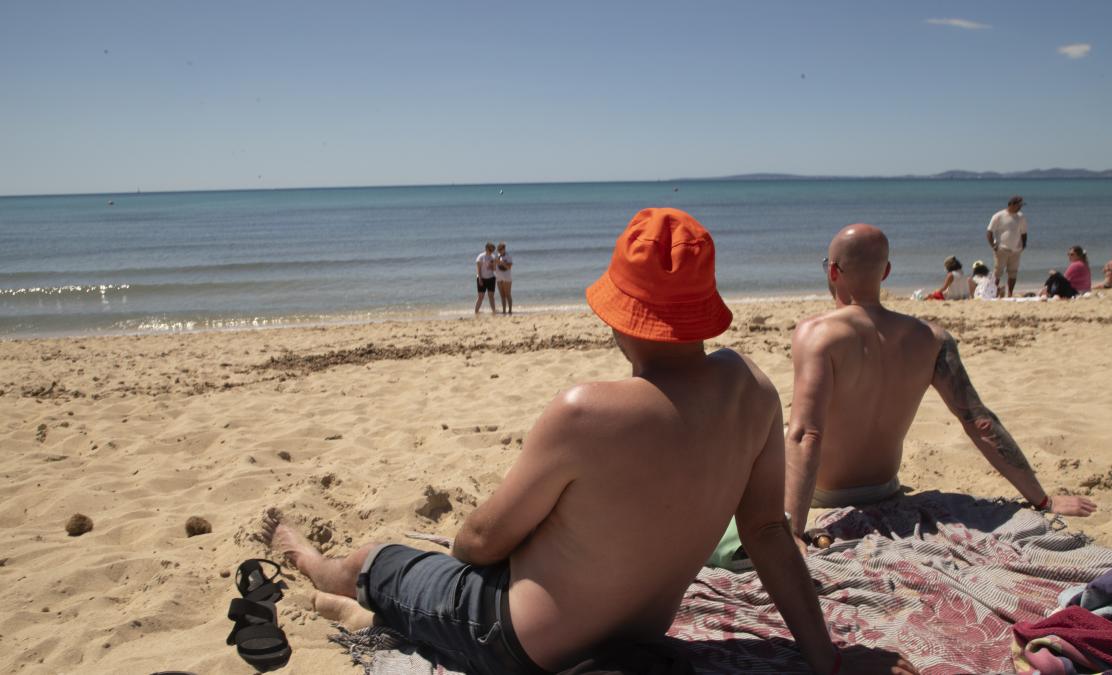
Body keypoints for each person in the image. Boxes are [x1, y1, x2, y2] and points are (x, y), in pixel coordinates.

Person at [264, 209, 915, 675]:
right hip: (638, 631)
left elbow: (478, 542)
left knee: (380, 556)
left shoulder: (586, 411)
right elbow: (770, 533)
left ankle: (321, 570)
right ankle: (362, 609)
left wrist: (480, 544)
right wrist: (824, 657)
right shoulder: (751, 390)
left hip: (517, 642)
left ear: (620, 319)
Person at [786, 224, 1096, 552]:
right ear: (886, 272)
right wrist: (1042, 499)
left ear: (833, 271)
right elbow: (979, 421)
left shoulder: (816, 333)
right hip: (884, 488)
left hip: (824, 495)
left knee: (782, 430)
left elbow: (807, 434)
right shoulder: (931, 338)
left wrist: (791, 531)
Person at [986, 195, 1028, 298]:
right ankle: (994, 293)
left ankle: (1009, 293)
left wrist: (1024, 245)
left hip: (1016, 250)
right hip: (1002, 249)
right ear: (1011, 205)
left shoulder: (1021, 217)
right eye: (1019, 205)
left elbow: (1024, 233)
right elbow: (989, 231)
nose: (1020, 208)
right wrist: (993, 245)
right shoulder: (999, 216)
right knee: (997, 272)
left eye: (1021, 206)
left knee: (1013, 273)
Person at [475, 242, 497, 314]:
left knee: (491, 296)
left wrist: (492, 265)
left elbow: (494, 269)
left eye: (493, 250)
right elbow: (478, 269)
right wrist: (480, 279)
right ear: (486, 248)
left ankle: (494, 311)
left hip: (491, 278)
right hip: (482, 278)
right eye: (490, 250)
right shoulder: (481, 256)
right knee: (480, 297)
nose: (491, 252)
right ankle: (476, 311)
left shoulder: (493, 257)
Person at [495, 241, 514, 315]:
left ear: (504, 249)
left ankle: (510, 310)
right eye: (499, 249)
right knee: (502, 295)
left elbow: (509, 267)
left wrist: (502, 263)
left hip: (507, 277)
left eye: (501, 249)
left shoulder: (508, 256)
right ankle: (504, 311)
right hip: (499, 277)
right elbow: (494, 267)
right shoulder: (497, 256)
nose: (500, 251)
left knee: (508, 294)